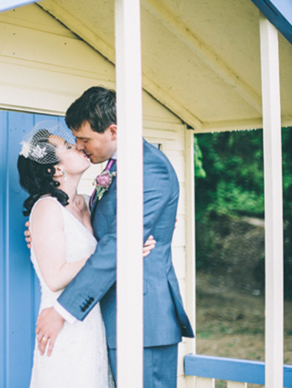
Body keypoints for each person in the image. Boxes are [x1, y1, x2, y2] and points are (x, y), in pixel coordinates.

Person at [32, 86, 194, 388]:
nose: (80, 147)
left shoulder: (149, 168)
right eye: (75, 141)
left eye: (84, 139)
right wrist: (43, 234)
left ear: (113, 131)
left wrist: (62, 310)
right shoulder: (116, 168)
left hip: (144, 321)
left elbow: (118, 244)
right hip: (111, 318)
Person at [18, 122, 156, 388]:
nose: (78, 146)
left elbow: (110, 241)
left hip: (92, 320)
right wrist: (122, 253)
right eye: (69, 147)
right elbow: (55, 277)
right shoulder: (46, 207)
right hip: (64, 325)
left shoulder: (85, 202)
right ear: (56, 169)